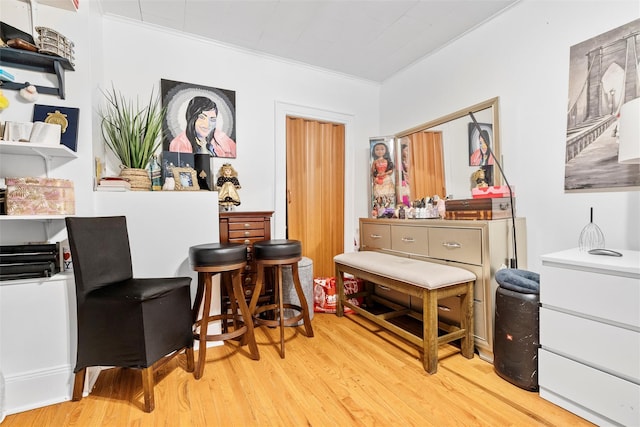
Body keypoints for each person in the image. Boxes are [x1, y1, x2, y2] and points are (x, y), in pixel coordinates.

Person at [169, 96, 236, 157]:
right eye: (202, 117)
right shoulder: (179, 143)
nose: (207, 124)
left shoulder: (222, 138)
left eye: (212, 119)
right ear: (191, 118)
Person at [371, 141, 395, 209]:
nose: (379, 151)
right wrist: (374, 178)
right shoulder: (375, 162)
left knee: (388, 195)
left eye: (382, 149)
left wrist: (385, 173)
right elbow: (372, 171)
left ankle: (388, 208)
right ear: (374, 151)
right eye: (377, 149)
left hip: (386, 179)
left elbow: (391, 170)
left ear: (386, 150)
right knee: (378, 195)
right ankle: (380, 208)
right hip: (378, 179)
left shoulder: (387, 161)